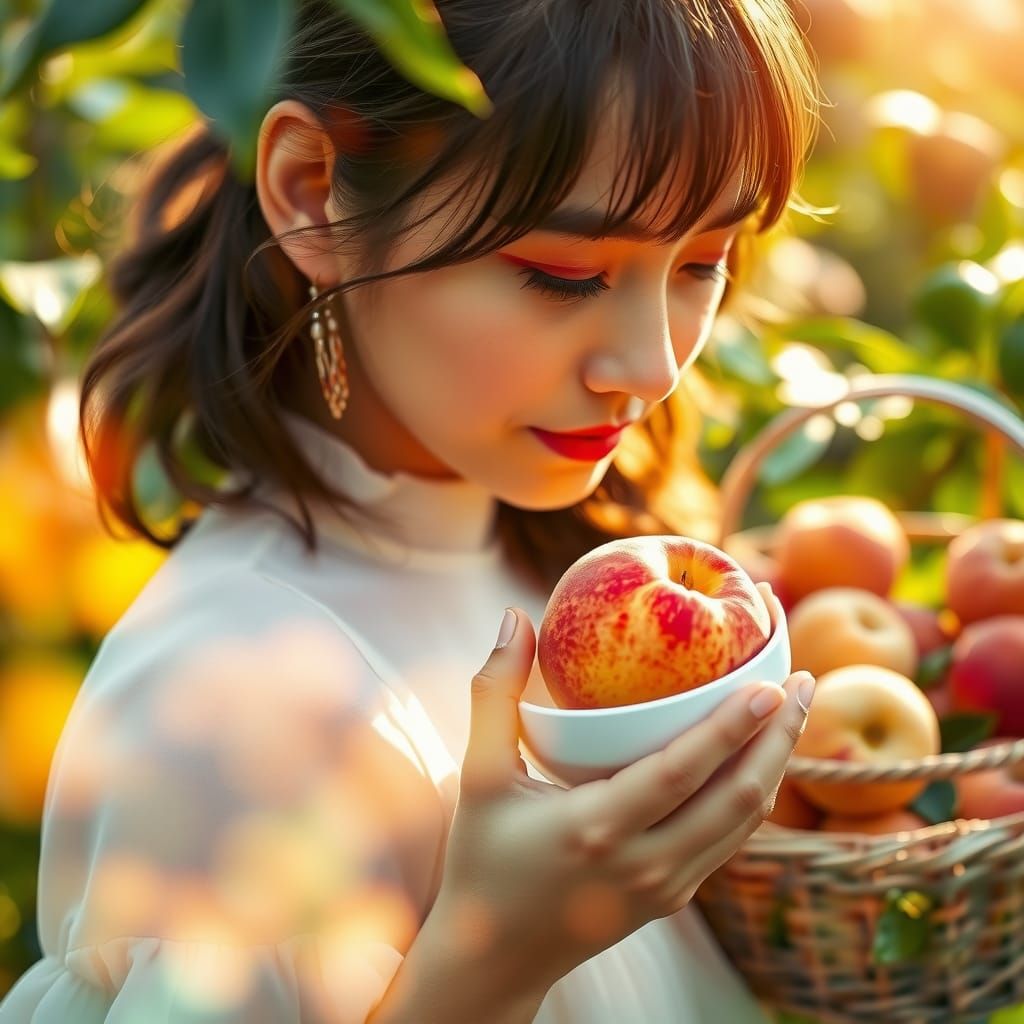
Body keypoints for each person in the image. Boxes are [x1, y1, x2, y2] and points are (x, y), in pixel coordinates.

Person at [0, 0, 823, 1020]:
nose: (652, 369)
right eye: (561, 275)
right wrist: (494, 962)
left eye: (704, 261)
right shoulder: (233, 718)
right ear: (313, 194)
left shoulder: (558, 561)